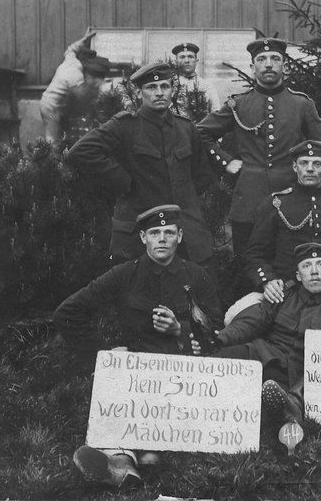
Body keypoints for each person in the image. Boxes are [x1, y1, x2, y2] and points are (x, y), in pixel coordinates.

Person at [54, 205, 223, 488]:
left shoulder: (196, 275)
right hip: (137, 370)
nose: (162, 239)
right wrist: (104, 353)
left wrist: (180, 328)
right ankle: (126, 461)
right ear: (143, 237)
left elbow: (216, 330)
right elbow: (67, 313)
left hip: (184, 372)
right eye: (155, 233)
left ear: (180, 236)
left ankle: (135, 457)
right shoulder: (123, 274)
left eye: (169, 232)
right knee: (124, 393)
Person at [197, 38, 321, 273]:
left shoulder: (301, 104)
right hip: (249, 198)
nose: (268, 64)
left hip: (291, 195)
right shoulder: (238, 104)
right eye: (261, 59)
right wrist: (226, 161)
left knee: (289, 262)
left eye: (275, 59)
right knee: (246, 264)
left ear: (285, 67)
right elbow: (200, 133)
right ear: (252, 67)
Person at [214, 243, 321, 440]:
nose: (314, 271)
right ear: (297, 275)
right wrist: (219, 339)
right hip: (268, 359)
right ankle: (265, 411)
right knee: (218, 358)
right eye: (306, 266)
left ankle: (290, 406)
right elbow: (252, 321)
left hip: (306, 375)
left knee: (282, 393)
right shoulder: (283, 295)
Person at [67, 62, 215, 264]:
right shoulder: (124, 126)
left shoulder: (186, 128)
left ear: (173, 90)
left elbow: (202, 176)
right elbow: (81, 151)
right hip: (137, 235)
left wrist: (181, 195)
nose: (159, 93)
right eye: (151, 87)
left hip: (185, 235)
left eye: (165, 86)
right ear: (138, 93)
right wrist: (124, 182)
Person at [242, 139, 321, 306]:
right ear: (294, 167)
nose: (310, 169)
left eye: (317, 164)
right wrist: (267, 281)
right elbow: (255, 254)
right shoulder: (276, 203)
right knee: (234, 315)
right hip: (283, 290)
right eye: (304, 163)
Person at [40, 29, 112, 143]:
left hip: (48, 101)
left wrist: (83, 40)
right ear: (84, 62)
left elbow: (71, 49)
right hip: (53, 107)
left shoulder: (71, 59)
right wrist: (101, 84)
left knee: (56, 133)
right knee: (53, 137)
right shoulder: (75, 74)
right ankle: (53, 156)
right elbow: (82, 94)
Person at [171, 42, 221, 117]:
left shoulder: (208, 86)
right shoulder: (170, 85)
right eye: (182, 57)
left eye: (190, 57)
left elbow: (216, 114)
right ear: (176, 61)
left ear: (196, 61)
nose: (187, 60)